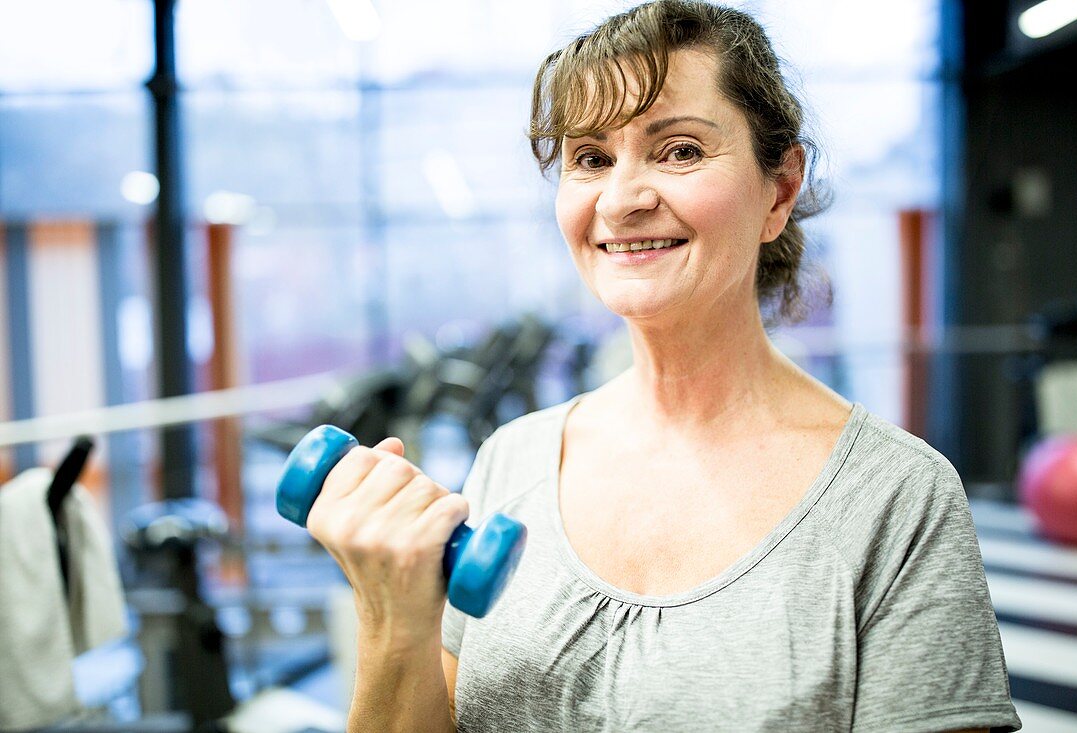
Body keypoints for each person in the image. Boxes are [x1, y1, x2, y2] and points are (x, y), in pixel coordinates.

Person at [305, 1, 1022, 731]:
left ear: (778, 190)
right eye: (590, 158)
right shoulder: (509, 461)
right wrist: (391, 617)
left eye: (679, 150)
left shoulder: (898, 498)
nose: (622, 199)